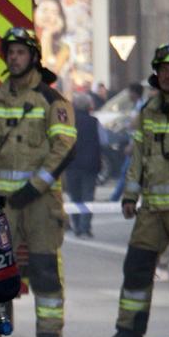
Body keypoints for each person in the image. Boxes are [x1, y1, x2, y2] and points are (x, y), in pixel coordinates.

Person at [0, 27, 76, 337]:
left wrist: (34, 188)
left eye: (21, 52)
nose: (14, 57)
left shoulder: (52, 100)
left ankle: (49, 336)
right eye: (10, 52)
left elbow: (64, 147)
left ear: (33, 57)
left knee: (44, 267)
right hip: (2, 203)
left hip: (40, 202)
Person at [96, 44, 169, 337]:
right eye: (163, 70)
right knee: (137, 266)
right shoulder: (148, 111)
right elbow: (138, 158)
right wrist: (130, 196)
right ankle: (129, 332)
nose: (168, 75)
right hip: (153, 209)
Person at [66, 93, 101, 238]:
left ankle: (77, 227)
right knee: (88, 197)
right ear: (88, 106)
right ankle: (85, 227)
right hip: (90, 165)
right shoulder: (94, 122)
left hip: (72, 165)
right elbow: (104, 140)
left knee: (75, 197)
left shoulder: (68, 122)